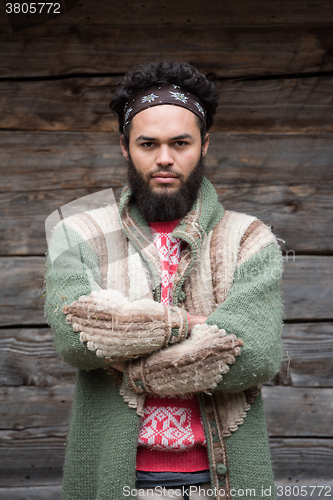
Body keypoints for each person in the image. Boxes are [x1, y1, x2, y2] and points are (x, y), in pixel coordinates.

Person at [43, 60, 284, 500]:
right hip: (114, 478)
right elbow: (74, 338)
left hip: (222, 482)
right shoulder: (77, 233)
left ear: (205, 144)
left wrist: (125, 346)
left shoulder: (249, 238)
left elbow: (256, 356)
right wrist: (192, 326)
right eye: (148, 144)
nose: (165, 158)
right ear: (124, 146)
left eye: (181, 143)